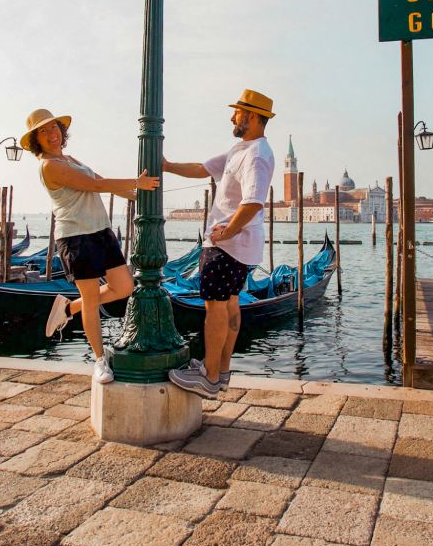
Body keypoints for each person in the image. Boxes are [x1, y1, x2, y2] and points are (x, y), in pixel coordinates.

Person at [20, 108, 159, 384]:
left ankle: (69, 309)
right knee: (92, 300)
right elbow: (93, 186)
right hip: (75, 237)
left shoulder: (68, 158)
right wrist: (137, 182)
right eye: (44, 131)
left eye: (54, 128)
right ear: (37, 140)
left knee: (125, 287)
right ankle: (99, 361)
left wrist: (132, 193)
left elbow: (96, 178)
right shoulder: (50, 166)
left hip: (100, 231)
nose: (52, 134)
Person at [166, 90, 275, 398]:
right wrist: (167, 165)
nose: (232, 116)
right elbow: (202, 169)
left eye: (237, 112)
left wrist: (227, 232)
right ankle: (222, 372)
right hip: (239, 247)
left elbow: (253, 202)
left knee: (214, 308)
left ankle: (209, 375)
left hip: (225, 246)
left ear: (252, 116)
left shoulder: (256, 155)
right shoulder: (241, 149)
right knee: (230, 303)